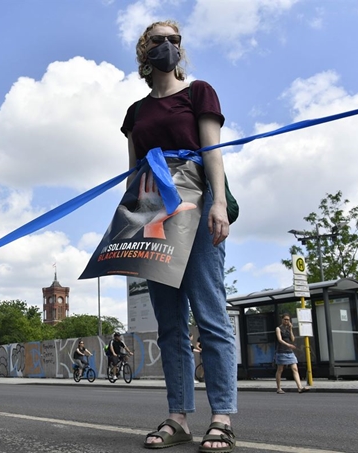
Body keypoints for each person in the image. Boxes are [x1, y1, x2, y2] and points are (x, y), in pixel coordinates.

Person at [122, 20, 237, 452]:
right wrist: (128, 226)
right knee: (169, 325)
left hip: (196, 203)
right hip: (153, 216)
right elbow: (132, 173)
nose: (168, 46)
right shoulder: (136, 112)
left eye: (175, 40)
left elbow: (212, 151)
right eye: (159, 40)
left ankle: (222, 416)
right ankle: (178, 417)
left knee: (210, 314)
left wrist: (219, 204)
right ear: (144, 51)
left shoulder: (198, 92)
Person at [275, 314, 309, 394]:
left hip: (289, 351)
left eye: (288, 320)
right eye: (285, 319)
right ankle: (279, 388)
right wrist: (288, 345)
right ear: (282, 319)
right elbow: (280, 339)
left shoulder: (288, 328)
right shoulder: (278, 328)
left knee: (295, 369)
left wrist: (291, 329)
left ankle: (299, 387)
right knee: (280, 369)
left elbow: (292, 339)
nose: (286, 321)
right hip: (281, 351)